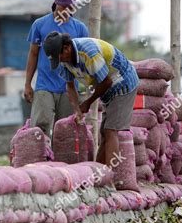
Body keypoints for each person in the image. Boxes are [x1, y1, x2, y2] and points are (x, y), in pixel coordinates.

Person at [42, 31, 139, 168]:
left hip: (122, 83)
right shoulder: (64, 61)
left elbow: (107, 82)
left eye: (60, 57)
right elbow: (70, 86)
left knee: (111, 130)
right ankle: (98, 175)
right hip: (107, 89)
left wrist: (87, 102)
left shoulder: (88, 53)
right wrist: (77, 109)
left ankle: (111, 176)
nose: (61, 61)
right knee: (104, 133)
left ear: (67, 48)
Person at [24, 0, 89, 136]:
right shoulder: (39, 25)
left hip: (70, 88)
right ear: (55, 3)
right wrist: (28, 83)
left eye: (68, 7)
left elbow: (83, 60)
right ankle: (41, 158)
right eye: (62, 6)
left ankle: (61, 160)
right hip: (44, 85)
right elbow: (33, 54)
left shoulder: (80, 29)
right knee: (40, 127)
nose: (64, 10)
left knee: (66, 132)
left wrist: (86, 88)